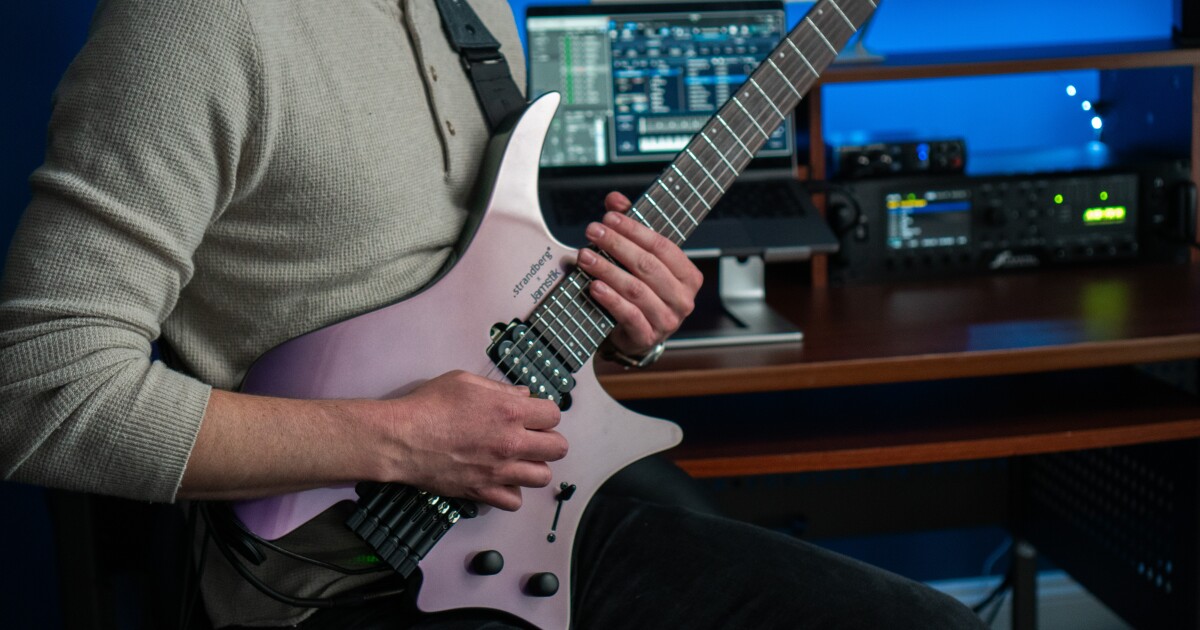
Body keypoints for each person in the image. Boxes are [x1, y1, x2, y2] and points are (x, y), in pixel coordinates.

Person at [0, 1, 988, 628]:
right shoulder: (194, 28)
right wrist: (398, 441)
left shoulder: (474, 13)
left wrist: (619, 322)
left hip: (528, 511)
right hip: (331, 577)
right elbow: (37, 391)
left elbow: (481, 303)